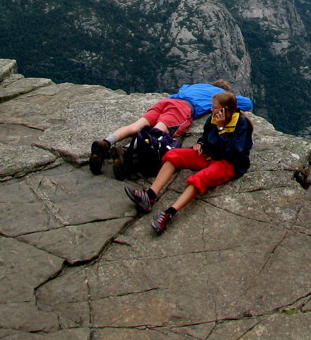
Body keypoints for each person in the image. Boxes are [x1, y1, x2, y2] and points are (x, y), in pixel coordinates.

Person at [124, 91, 254, 235]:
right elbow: (206, 136)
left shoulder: (241, 124)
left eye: (215, 107)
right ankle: (150, 196)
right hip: (209, 154)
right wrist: (201, 143)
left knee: (199, 178)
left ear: (225, 110)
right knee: (173, 155)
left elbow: (233, 153)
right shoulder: (213, 118)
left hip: (229, 163)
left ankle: (169, 214)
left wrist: (221, 129)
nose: (212, 110)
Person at [89, 81, 253, 175]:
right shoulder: (220, 96)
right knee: (159, 130)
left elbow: (183, 87)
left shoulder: (192, 86)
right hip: (182, 108)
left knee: (137, 126)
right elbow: (247, 103)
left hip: (166, 101)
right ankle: (125, 151)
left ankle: (106, 143)